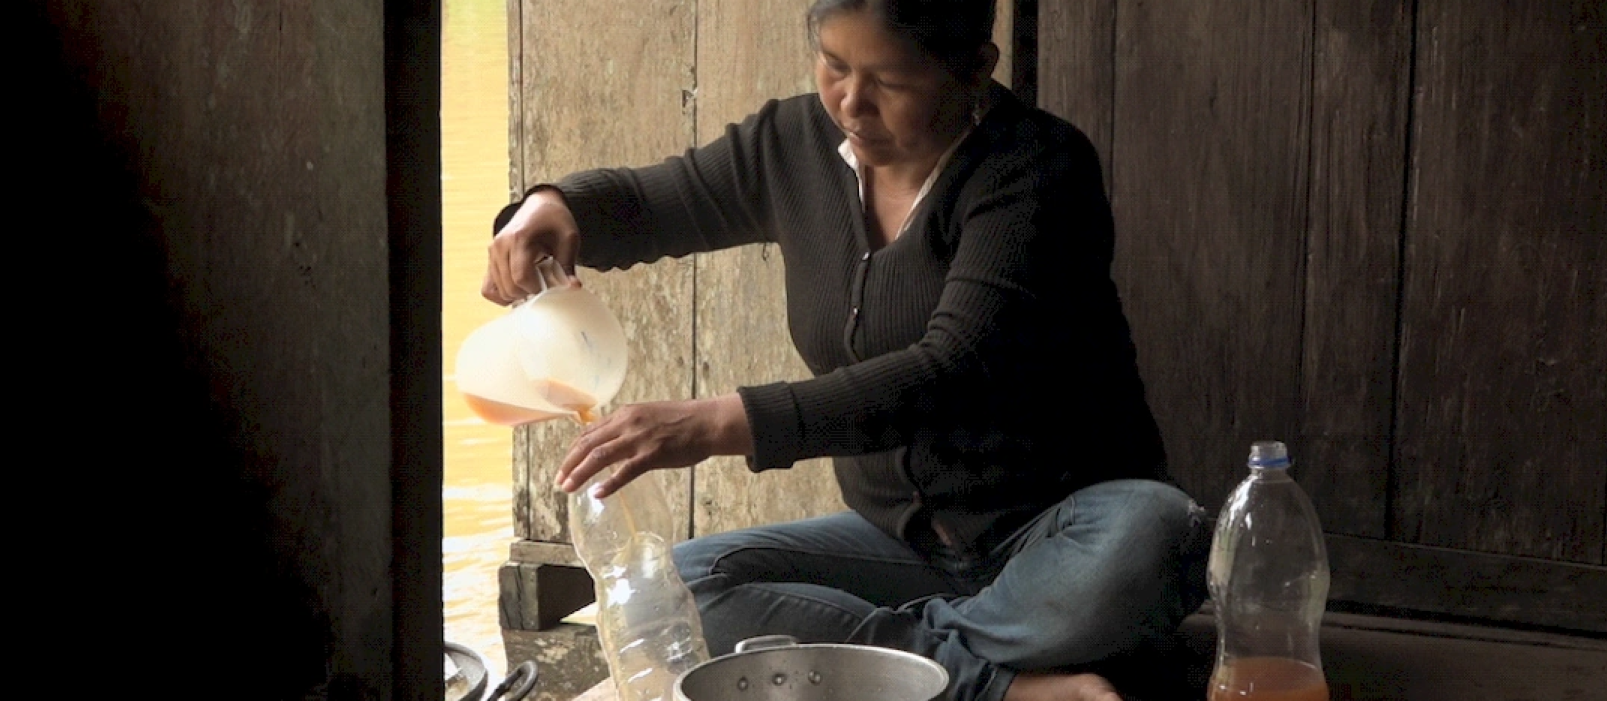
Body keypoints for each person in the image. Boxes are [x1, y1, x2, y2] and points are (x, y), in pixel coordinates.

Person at [485, 1, 1209, 699]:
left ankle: (878, 659)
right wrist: (551, 206)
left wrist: (718, 423)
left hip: (1059, 534)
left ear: (975, 67)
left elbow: (950, 370)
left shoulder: (1037, 169)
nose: (851, 104)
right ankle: (989, 679)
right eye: (833, 65)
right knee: (688, 586)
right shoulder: (792, 146)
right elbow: (649, 205)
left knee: (1158, 534)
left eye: (889, 81)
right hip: (899, 547)